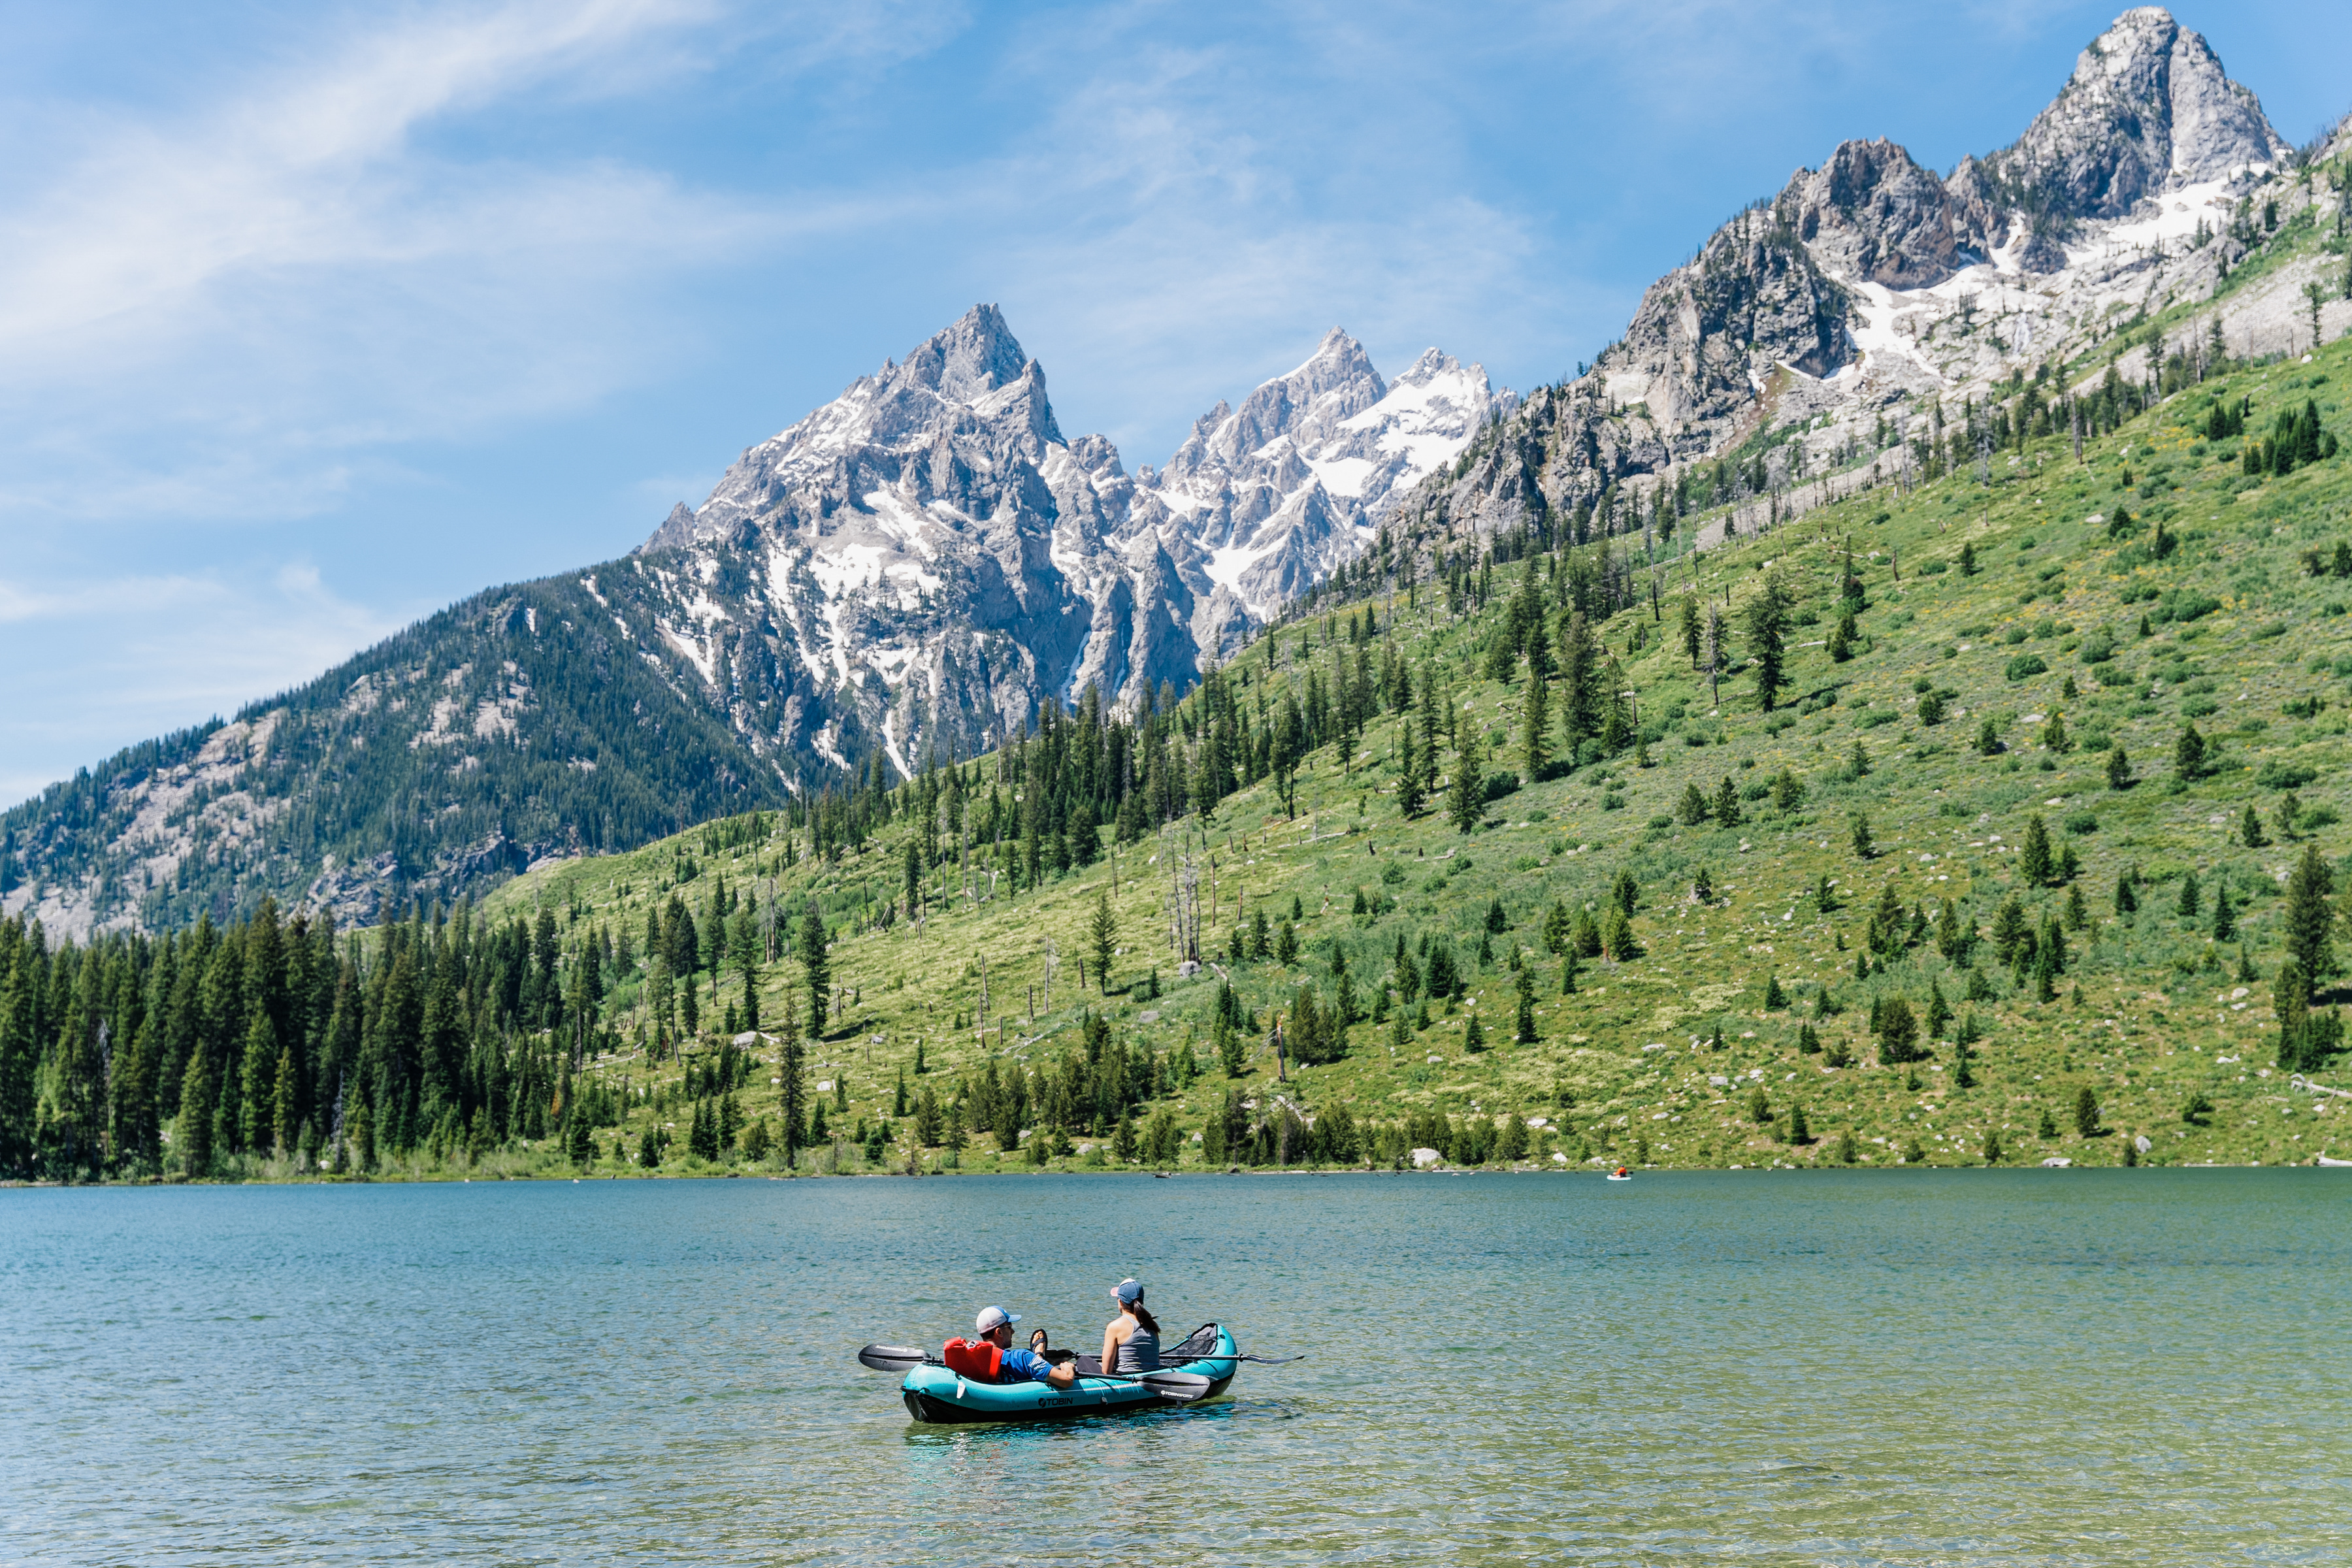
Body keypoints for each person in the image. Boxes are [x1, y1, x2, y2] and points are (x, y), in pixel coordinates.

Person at [958, 1305, 1075, 1388]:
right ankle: (1039, 1356)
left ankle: (1039, 1357)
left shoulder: (971, 1357)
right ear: (999, 1332)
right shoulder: (1022, 1357)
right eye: (1009, 1327)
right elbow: (1066, 1380)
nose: (1013, 1331)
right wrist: (1068, 1368)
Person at [1100, 1279, 1160, 1375]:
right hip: (1152, 1378)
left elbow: (1106, 1371)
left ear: (1120, 1302)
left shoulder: (1115, 1326)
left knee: (1083, 1361)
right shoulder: (1152, 1325)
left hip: (1125, 1380)